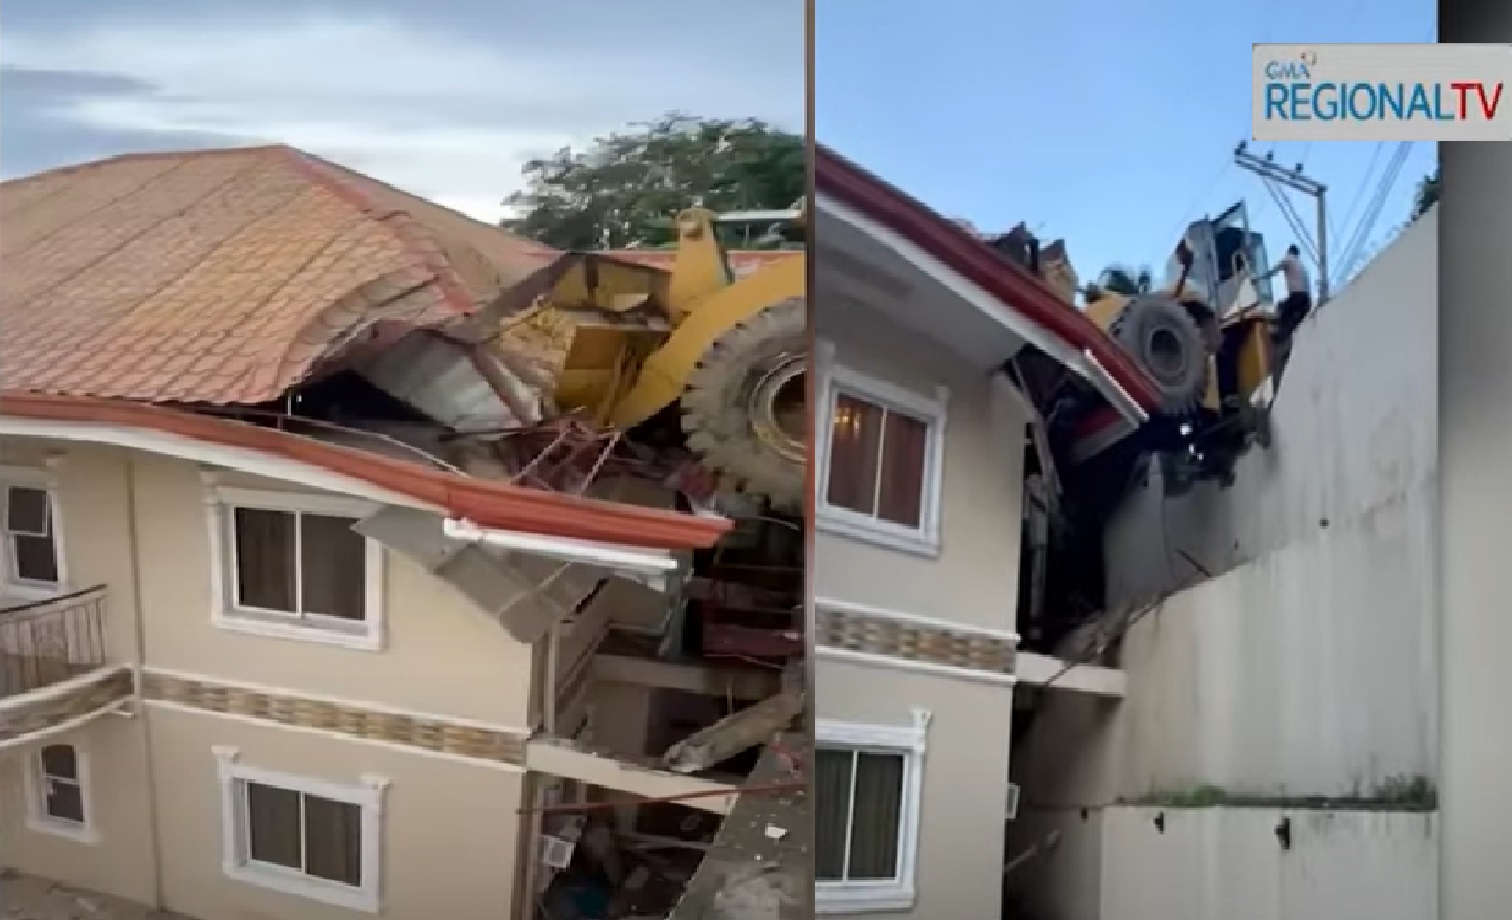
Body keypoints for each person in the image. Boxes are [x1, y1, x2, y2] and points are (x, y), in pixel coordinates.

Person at [1265, 244, 1313, 341]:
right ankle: (1287, 333)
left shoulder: (1288, 259)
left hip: (1297, 296)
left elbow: (1275, 270)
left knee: (1281, 307)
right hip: (1307, 300)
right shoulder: (1301, 265)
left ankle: (1279, 335)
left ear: (1289, 251)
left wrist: (1262, 277)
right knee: (1293, 319)